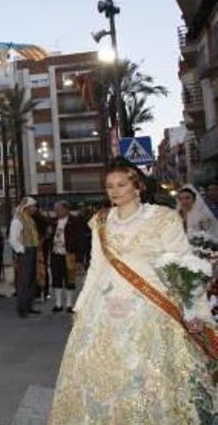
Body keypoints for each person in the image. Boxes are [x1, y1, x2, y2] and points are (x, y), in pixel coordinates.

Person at [50, 164, 218, 424]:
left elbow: (184, 265)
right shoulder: (101, 221)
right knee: (102, 373)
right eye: (109, 186)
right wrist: (80, 306)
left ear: (137, 186)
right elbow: (96, 267)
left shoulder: (163, 218)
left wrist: (195, 310)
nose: (114, 191)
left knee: (145, 375)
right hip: (103, 308)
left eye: (121, 184)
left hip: (150, 306)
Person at [46, 202, 83, 313]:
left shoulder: (75, 222)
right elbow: (48, 238)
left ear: (66, 210)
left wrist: (80, 259)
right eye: (55, 209)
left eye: (58, 209)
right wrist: (49, 235)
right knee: (56, 278)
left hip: (70, 254)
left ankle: (69, 304)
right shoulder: (52, 222)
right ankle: (58, 304)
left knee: (69, 279)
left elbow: (80, 241)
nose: (56, 212)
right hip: (55, 254)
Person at [9, 197, 40, 318]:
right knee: (24, 281)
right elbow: (13, 239)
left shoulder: (29, 219)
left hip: (32, 250)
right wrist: (21, 250)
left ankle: (29, 306)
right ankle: (22, 308)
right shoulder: (18, 220)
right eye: (33, 206)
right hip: (25, 252)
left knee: (31, 281)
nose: (35, 208)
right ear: (27, 207)